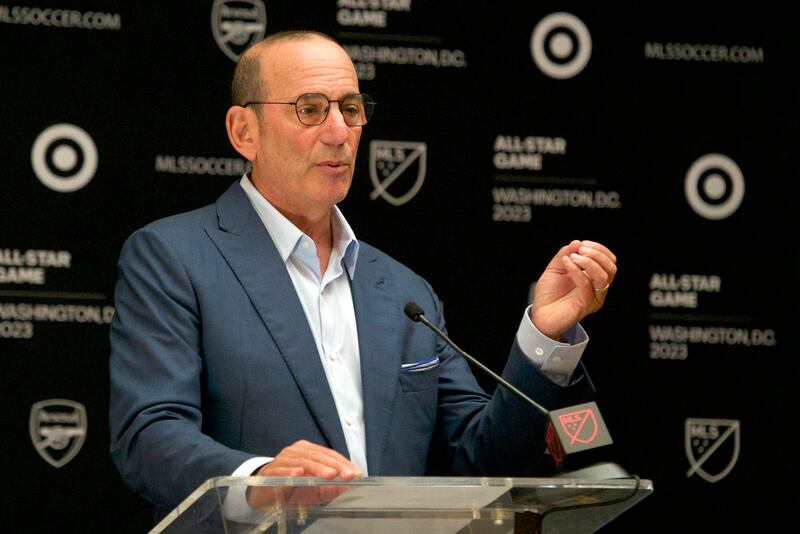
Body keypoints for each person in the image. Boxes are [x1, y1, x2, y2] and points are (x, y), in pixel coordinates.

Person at [108, 29, 617, 523]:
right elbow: (149, 435)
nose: (337, 132)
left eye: (350, 109)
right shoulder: (173, 256)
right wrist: (262, 479)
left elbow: (482, 461)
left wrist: (544, 336)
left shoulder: (404, 291)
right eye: (309, 109)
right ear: (244, 132)